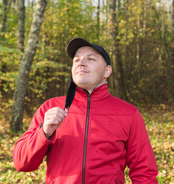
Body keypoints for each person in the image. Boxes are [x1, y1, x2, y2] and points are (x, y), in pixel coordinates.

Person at [13, 38, 158, 183]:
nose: (81, 63)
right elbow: (22, 163)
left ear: (107, 71)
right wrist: (44, 132)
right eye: (76, 60)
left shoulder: (128, 114)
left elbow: (144, 172)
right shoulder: (50, 108)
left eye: (91, 59)